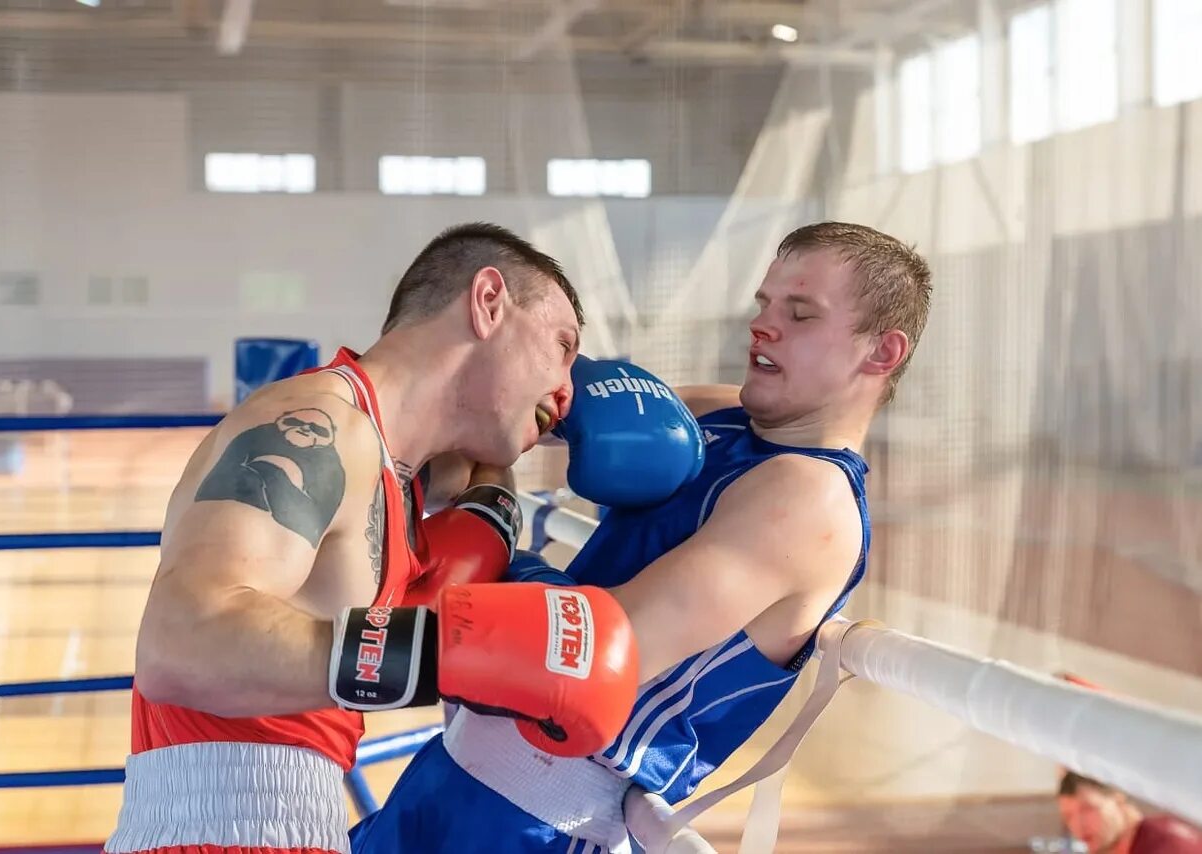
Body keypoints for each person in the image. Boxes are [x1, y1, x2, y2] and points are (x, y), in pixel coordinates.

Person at [350, 221, 934, 852]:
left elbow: (585, 653)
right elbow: (499, 404)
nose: (763, 326)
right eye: (764, 304)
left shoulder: (812, 500)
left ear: (881, 353)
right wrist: (477, 462)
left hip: (536, 824)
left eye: (801, 313)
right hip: (450, 778)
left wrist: (489, 529)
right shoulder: (720, 417)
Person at [104, 222, 645, 854]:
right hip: (214, 829)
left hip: (295, 818)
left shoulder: (396, 475)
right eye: (561, 346)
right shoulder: (319, 427)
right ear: (489, 301)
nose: (567, 388)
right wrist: (453, 654)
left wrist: (512, 454)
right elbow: (180, 645)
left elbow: (468, 478)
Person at [1057, 772, 1202, 854]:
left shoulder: (1163, 845)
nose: (1079, 825)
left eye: (1089, 810)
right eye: (1068, 816)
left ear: (1118, 800)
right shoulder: (1154, 834)